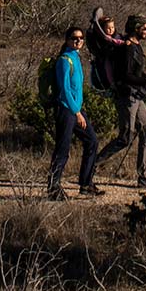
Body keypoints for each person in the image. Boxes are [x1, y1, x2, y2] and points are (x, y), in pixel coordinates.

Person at [97, 13, 146, 189]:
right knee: (125, 138)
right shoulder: (127, 48)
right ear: (136, 28)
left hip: (137, 96)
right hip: (127, 97)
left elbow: (135, 74)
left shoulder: (135, 46)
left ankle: (144, 176)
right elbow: (125, 76)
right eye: (145, 29)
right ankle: (91, 166)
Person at [46, 26, 100, 199]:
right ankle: (53, 189)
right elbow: (65, 90)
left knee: (92, 141)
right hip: (66, 110)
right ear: (67, 40)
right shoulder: (64, 60)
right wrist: (77, 113)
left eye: (81, 38)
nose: (78, 41)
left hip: (76, 109)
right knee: (62, 149)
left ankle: (86, 183)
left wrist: (78, 110)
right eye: (74, 38)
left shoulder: (75, 57)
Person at [88, 4, 128, 93]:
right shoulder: (105, 39)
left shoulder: (117, 36)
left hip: (116, 60)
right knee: (108, 68)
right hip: (107, 59)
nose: (111, 30)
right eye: (108, 28)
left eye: (112, 27)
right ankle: (112, 83)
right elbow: (114, 42)